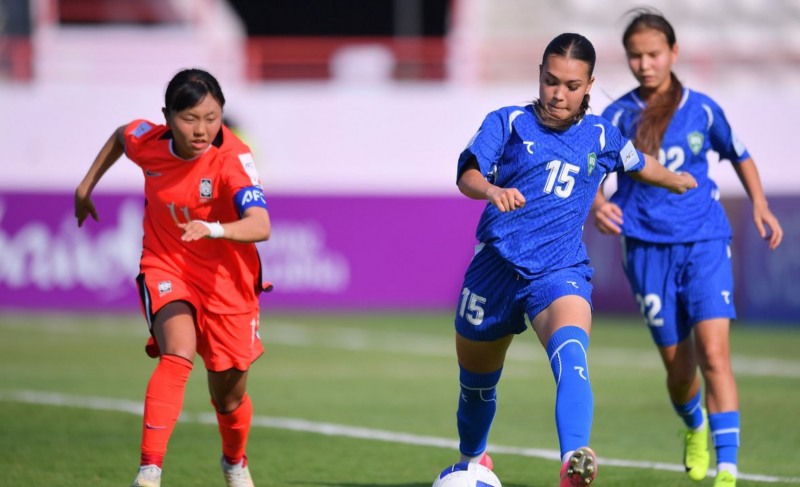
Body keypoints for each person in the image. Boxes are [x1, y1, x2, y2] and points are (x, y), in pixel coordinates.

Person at [450, 33, 697, 487]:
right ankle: (473, 461)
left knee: (572, 353)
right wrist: (492, 189)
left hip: (559, 271)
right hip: (496, 270)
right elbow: (467, 174)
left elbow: (638, 161)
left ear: (589, 85)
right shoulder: (507, 123)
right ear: (540, 77)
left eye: (570, 85)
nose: (558, 94)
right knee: (476, 386)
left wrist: (675, 180)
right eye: (550, 81)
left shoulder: (600, 134)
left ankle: (574, 459)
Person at [590, 10, 783, 487]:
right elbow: (588, 169)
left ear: (673, 53)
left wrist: (759, 204)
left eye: (653, 54)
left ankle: (728, 470)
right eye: (635, 55)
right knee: (680, 373)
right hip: (646, 249)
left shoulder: (704, 109)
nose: (644, 63)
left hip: (705, 241)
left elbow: (740, 154)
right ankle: (693, 425)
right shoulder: (617, 117)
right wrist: (596, 203)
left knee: (715, 355)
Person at [74, 68, 272, 487]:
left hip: (227, 281)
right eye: (189, 118)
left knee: (229, 396)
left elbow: (260, 225)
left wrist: (215, 228)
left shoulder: (233, 159)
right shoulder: (150, 142)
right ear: (167, 117)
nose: (201, 129)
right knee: (177, 351)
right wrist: (85, 187)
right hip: (167, 265)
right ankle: (149, 472)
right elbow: (121, 136)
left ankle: (234, 462)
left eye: (212, 117)